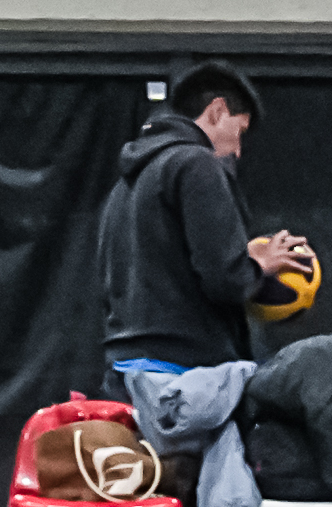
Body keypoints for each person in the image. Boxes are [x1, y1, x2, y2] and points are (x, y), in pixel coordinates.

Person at [97, 61, 318, 387]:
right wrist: (258, 265)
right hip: (186, 375)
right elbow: (224, 279)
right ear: (216, 110)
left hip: (126, 371)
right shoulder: (197, 164)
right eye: (239, 132)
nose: (238, 151)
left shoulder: (125, 185)